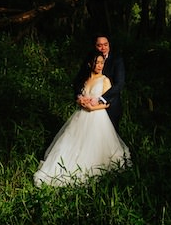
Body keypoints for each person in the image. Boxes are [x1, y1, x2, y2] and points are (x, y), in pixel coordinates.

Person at [33, 51, 131, 187]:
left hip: (97, 117)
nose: (100, 65)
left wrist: (92, 108)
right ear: (90, 63)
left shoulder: (105, 80)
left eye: (102, 63)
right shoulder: (85, 80)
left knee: (94, 146)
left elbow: (107, 103)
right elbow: (79, 95)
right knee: (73, 141)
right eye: (97, 62)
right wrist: (81, 102)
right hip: (81, 116)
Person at [76, 34, 125, 131]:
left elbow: (119, 84)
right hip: (87, 109)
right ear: (95, 46)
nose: (103, 48)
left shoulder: (117, 60)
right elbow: (79, 79)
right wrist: (79, 96)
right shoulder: (89, 59)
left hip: (110, 105)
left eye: (105, 44)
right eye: (99, 45)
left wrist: (100, 99)